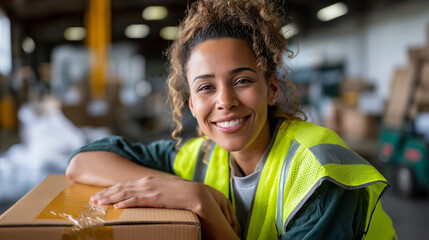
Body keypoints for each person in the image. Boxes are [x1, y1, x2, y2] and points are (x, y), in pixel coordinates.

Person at [66, 0, 397, 239]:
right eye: (206, 87)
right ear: (191, 105)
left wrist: (203, 206)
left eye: (242, 81)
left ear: (271, 88)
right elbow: (82, 162)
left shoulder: (319, 175)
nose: (224, 101)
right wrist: (187, 188)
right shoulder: (197, 159)